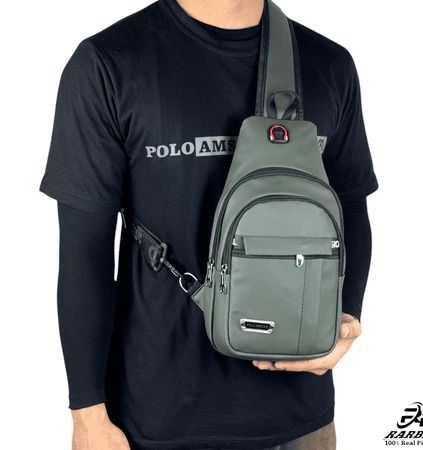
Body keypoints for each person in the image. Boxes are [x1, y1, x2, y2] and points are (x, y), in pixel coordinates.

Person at [40, 0, 378, 449]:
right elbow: (85, 254)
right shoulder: (110, 62)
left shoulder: (328, 64)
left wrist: (346, 317)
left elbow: (350, 207)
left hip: (303, 421)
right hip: (157, 421)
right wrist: (88, 415)